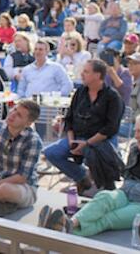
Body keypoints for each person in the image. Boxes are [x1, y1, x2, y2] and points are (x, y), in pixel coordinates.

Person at [44, 112, 140, 236]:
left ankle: (63, 230)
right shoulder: (136, 150)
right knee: (104, 197)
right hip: (125, 194)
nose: (135, 136)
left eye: (139, 132)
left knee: (109, 218)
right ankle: (69, 223)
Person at [42, 59, 124, 196]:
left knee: (93, 153)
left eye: (86, 71)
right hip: (77, 137)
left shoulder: (112, 97)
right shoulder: (80, 92)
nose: (82, 74)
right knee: (51, 153)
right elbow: (69, 119)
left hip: (101, 140)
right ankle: (82, 177)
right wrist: (71, 142)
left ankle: (102, 185)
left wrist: (86, 144)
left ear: (97, 75)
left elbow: (111, 128)